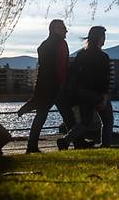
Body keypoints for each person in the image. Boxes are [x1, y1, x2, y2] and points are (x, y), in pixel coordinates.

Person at [17, 19, 76, 153]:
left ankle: (31, 146)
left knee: (44, 116)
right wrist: (63, 83)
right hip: (55, 87)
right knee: (66, 116)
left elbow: (45, 70)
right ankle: (77, 141)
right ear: (54, 29)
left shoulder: (45, 45)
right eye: (63, 28)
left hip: (50, 87)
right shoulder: (59, 44)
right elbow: (57, 68)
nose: (66, 30)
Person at [57, 26, 113, 150]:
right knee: (108, 120)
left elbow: (72, 73)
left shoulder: (82, 54)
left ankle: (65, 140)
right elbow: (105, 80)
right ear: (100, 38)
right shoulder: (103, 57)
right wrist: (104, 97)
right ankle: (106, 145)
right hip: (97, 94)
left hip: (82, 93)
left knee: (85, 121)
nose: (104, 40)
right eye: (103, 37)